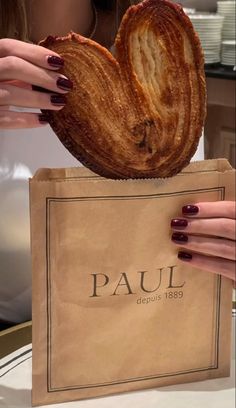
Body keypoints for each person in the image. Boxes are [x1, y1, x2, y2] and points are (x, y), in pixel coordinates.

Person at [0, 0, 235, 326]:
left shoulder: (160, 42)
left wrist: (219, 249)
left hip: (140, 336)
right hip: (13, 344)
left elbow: (173, 231)